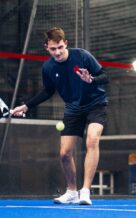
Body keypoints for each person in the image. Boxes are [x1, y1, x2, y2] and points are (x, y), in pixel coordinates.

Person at [10, 27, 108, 205]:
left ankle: (85, 191)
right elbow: (48, 91)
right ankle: (72, 191)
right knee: (64, 154)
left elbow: (105, 76)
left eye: (60, 47)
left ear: (66, 44)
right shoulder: (48, 67)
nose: (58, 52)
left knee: (92, 140)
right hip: (73, 108)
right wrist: (26, 106)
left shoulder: (82, 56)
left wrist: (92, 80)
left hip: (96, 104)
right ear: (46, 48)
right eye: (53, 49)